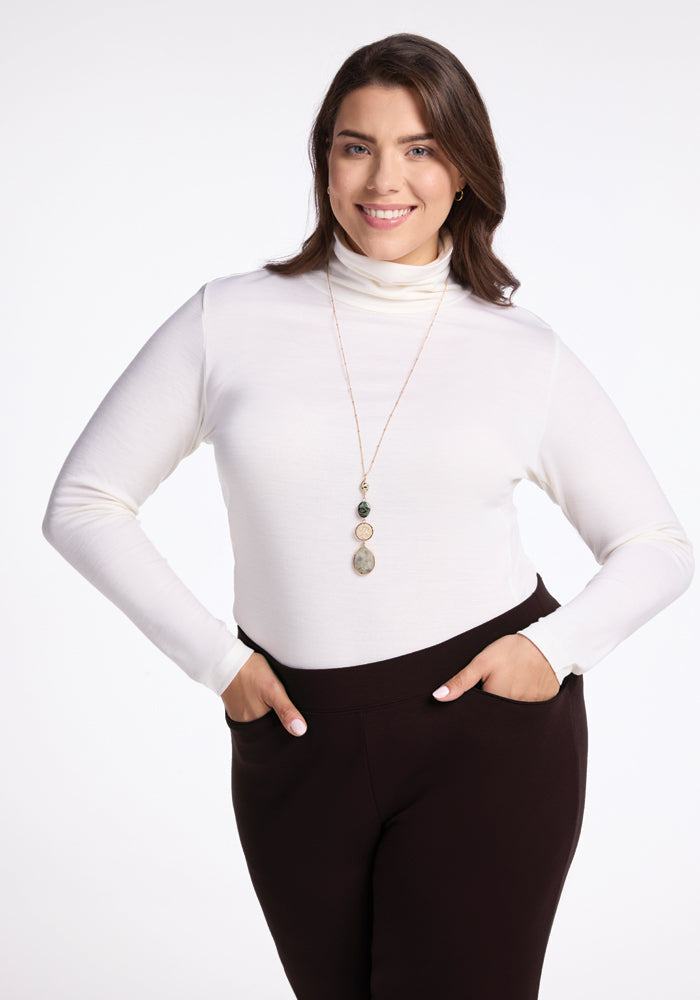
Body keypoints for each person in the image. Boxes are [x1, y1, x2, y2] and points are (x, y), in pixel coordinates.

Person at [43, 32, 693, 1000]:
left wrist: (551, 653)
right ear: (324, 162)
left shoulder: (520, 351)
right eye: (356, 146)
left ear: (465, 169)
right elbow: (84, 502)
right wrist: (216, 663)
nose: (385, 178)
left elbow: (655, 546)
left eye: (421, 147)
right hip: (294, 731)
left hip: (481, 731)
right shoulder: (228, 317)